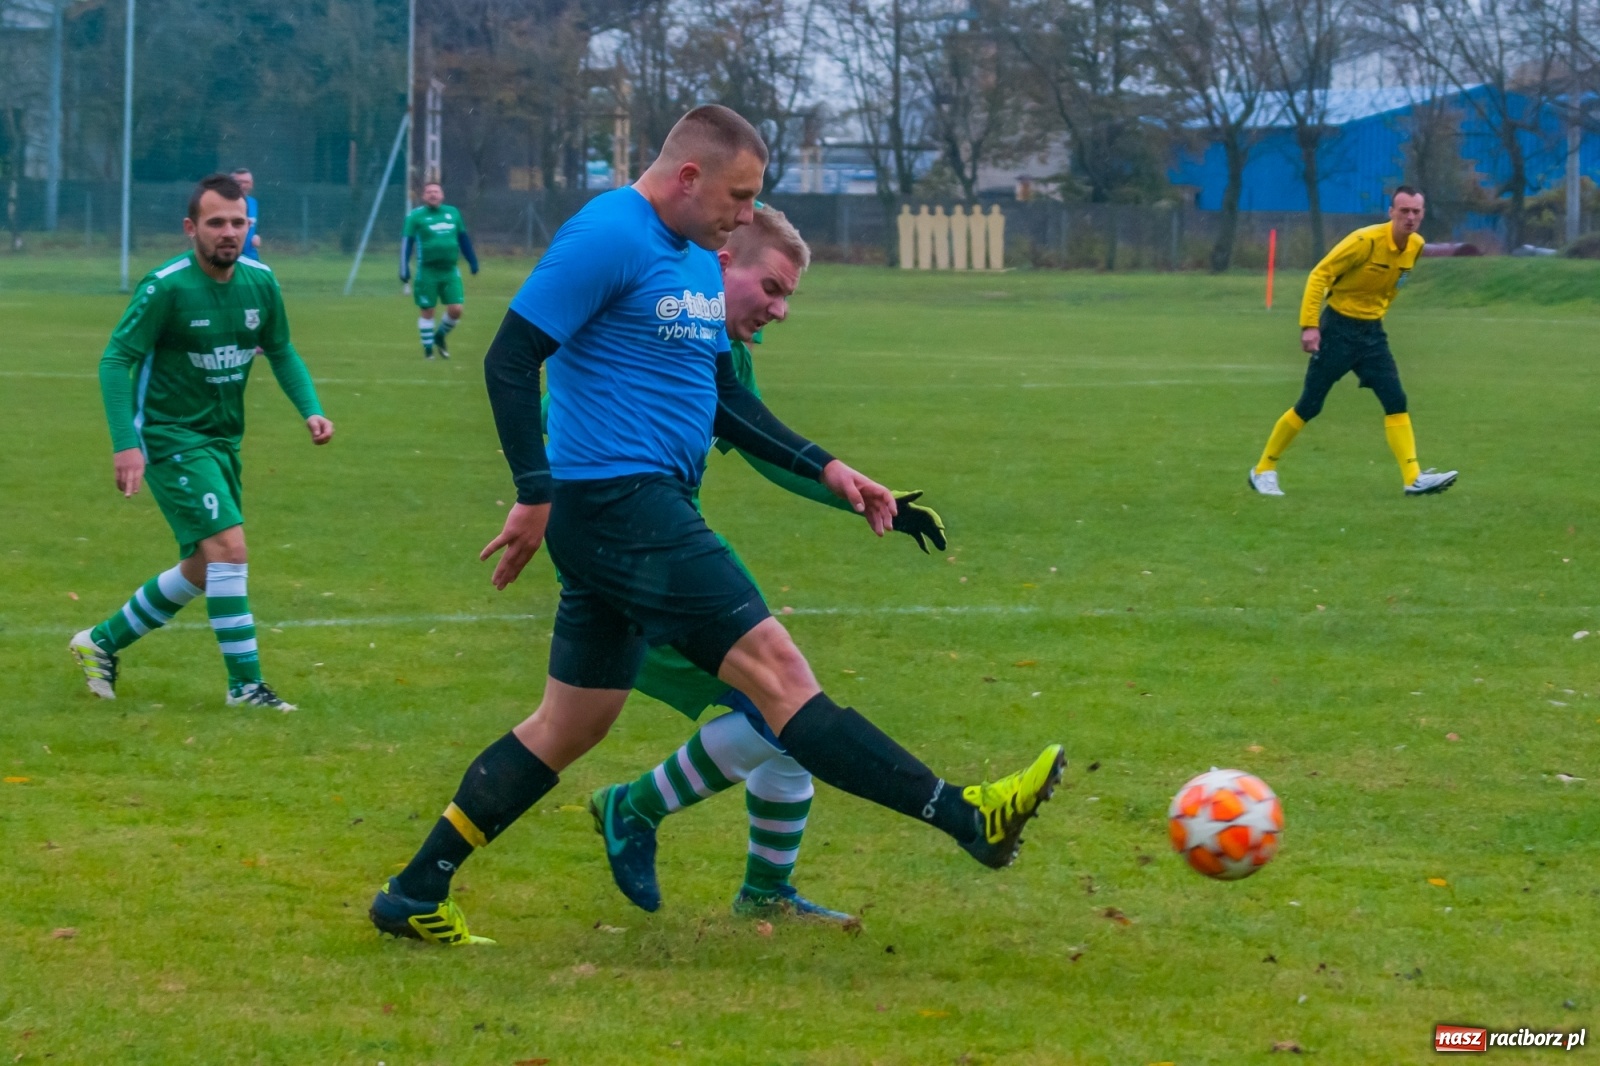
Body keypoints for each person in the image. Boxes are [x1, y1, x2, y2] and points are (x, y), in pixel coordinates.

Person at [369, 105, 1062, 946]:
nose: (745, 214)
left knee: (568, 727)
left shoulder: (696, 257)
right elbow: (509, 358)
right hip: (623, 504)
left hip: (631, 513)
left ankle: (414, 891)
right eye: (739, 195)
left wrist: (828, 468)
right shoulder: (608, 235)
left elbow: (726, 399)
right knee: (779, 674)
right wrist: (533, 489)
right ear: (689, 176)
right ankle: (965, 816)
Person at [581, 204, 949, 923]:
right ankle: (632, 807)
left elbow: (760, 448)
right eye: (772, 289)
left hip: (669, 548)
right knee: (781, 708)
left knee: (790, 708)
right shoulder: (648, 325)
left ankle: (765, 889)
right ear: (722, 264)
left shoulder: (726, 356)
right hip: (625, 563)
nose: (780, 310)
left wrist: (862, 497)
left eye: (789, 297)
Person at [69, 174, 334, 711]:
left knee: (202, 566)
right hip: (170, 438)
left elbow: (280, 349)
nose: (228, 232)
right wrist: (127, 444)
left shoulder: (261, 282)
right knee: (230, 550)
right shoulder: (165, 286)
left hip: (222, 440)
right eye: (216, 223)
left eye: (238, 222)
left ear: (249, 226)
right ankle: (246, 687)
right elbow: (115, 360)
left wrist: (311, 410)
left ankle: (100, 642)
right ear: (192, 228)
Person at [1248, 187, 1457, 497]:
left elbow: (1391, 286)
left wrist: (1376, 314)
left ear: (1422, 213)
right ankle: (1263, 469)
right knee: (1310, 404)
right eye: (1404, 211)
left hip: (1372, 334)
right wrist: (1310, 325)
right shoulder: (1364, 241)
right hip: (1337, 329)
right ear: (1391, 213)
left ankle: (1413, 477)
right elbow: (1320, 275)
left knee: (1395, 399)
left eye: (1416, 211)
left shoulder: (1416, 246)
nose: (1410, 217)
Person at [400, 182, 478, 359]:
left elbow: (463, 238)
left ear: (442, 195)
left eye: (436, 191)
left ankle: (440, 335)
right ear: (423, 196)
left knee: (456, 309)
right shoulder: (415, 217)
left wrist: (472, 260)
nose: (433, 194)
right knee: (428, 310)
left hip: (450, 270)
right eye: (429, 192)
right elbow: (407, 244)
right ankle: (429, 353)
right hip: (427, 271)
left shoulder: (453, 213)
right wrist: (404, 269)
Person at [229, 168, 261, 260]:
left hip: (251, 257)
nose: (243, 186)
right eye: (239, 182)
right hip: (231, 257)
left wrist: (256, 235)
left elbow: (255, 224)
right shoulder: (224, 203)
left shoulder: (253, 202)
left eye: (246, 182)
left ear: (251, 184)